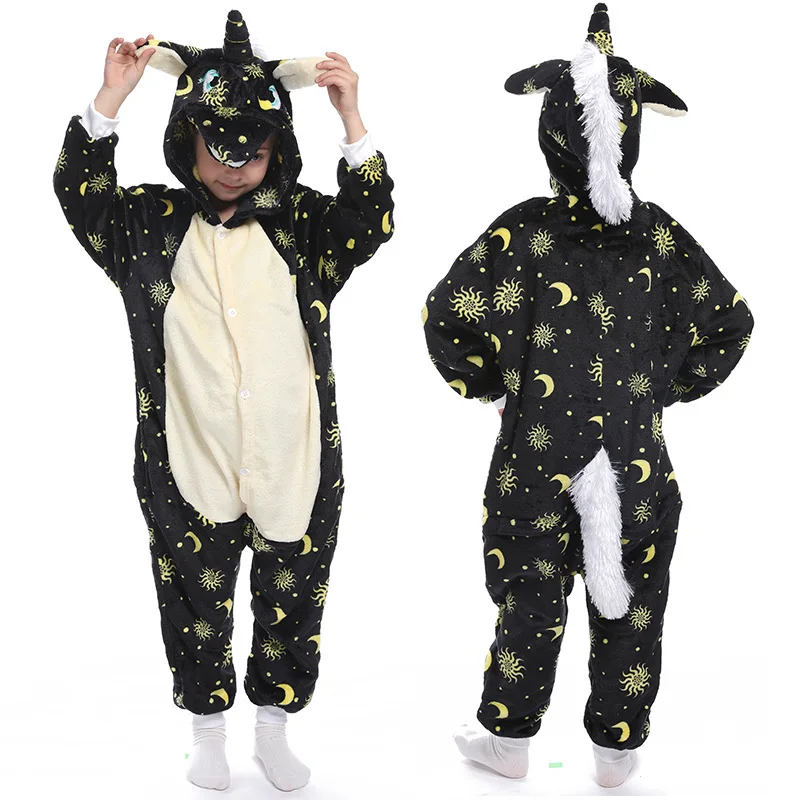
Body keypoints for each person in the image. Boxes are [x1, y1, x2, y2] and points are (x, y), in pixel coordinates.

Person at [52, 10, 394, 792]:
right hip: (187, 457)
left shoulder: (303, 224)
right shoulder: (147, 225)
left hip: (294, 457)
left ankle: (273, 727)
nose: (236, 167)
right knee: (192, 601)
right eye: (219, 147)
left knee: (293, 598)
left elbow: (370, 222)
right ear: (188, 138)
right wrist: (110, 100)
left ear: (279, 148)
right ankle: (207, 731)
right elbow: (82, 197)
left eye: (256, 151)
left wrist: (351, 118)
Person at [421, 2, 753, 789]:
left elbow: (444, 315)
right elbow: (731, 322)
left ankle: (508, 740)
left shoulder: (520, 233)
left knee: (528, 601)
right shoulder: (661, 237)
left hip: (535, 459)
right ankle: (616, 752)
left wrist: (492, 388)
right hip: (637, 463)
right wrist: (658, 394)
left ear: (552, 128)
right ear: (631, 133)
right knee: (632, 606)